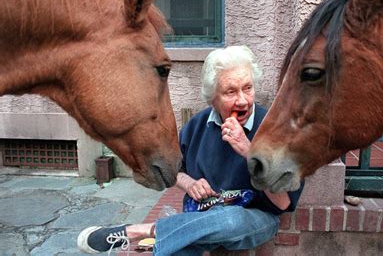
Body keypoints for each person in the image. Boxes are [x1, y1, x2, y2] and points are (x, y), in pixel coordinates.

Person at [77, 45, 305, 255]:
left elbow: (283, 203)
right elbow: (173, 170)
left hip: (253, 218)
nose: (243, 100)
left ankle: (136, 231)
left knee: (229, 219)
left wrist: (249, 151)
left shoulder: (275, 129)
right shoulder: (199, 125)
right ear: (213, 99)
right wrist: (189, 184)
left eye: (248, 88)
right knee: (180, 247)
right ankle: (172, 234)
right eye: (230, 92)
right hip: (202, 213)